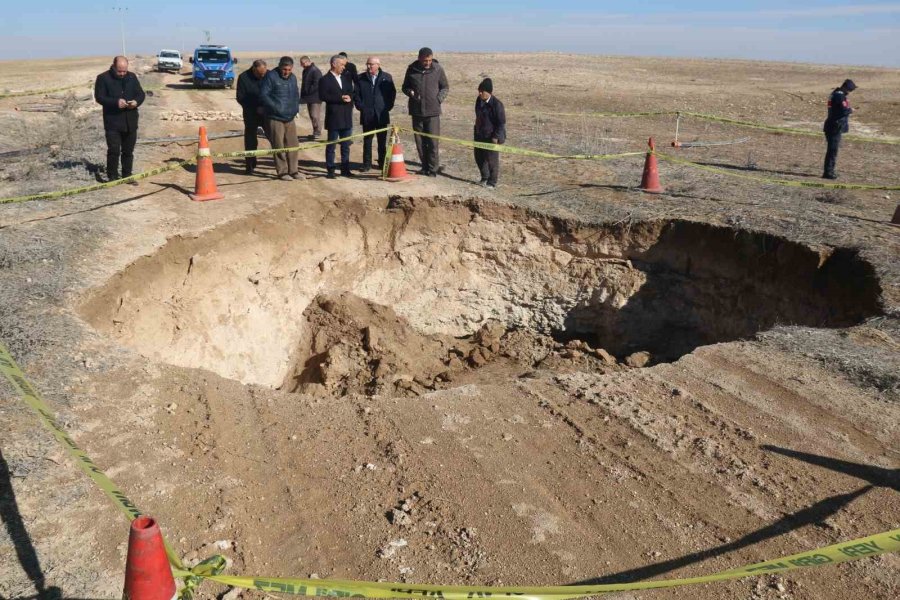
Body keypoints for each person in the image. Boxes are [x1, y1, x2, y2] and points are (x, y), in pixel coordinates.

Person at [94, 56, 145, 183]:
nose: (122, 74)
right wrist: (115, 102)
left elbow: (141, 94)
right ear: (113, 66)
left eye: (124, 71)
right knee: (114, 150)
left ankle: (127, 175)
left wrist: (136, 102)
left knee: (128, 151)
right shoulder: (103, 78)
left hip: (130, 121)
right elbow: (99, 97)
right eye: (119, 71)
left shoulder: (132, 77)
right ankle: (112, 176)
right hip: (113, 122)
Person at [402, 47, 449, 176]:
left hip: (433, 112)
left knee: (433, 143)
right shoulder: (411, 69)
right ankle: (424, 167)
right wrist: (410, 92)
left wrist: (438, 99)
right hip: (417, 112)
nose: (428, 63)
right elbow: (405, 87)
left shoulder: (438, 69)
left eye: (429, 60)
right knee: (420, 142)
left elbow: (445, 87)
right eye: (425, 61)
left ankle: (433, 169)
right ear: (419, 59)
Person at [260, 56, 303, 181]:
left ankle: (294, 170)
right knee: (278, 144)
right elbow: (264, 95)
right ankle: (282, 172)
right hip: (275, 117)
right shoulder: (271, 76)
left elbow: (296, 94)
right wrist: (276, 108)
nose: (287, 72)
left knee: (293, 144)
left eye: (289, 70)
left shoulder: (293, 78)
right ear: (279, 67)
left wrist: (295, 109)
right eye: (284, 69)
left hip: (290, 117)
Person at [354, 56, 396, 172]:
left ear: (378, 65)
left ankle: (382, 164)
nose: (369, 66)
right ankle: (366, 164)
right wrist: (361, 107)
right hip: (367, 114)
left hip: (381, 114)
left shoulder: (386, 77)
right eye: (367, 64)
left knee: (382, 141)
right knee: (367, 140)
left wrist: (387, 107)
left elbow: (392, 94)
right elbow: (356, 95)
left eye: (371, 64)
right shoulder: (360, 78)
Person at [319, 54, 356, 178]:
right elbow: (323, 96)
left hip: (346, 117)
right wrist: (340, 98)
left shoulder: (346, 78)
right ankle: (330, 170)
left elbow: (351, 91)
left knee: (346, 145)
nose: (343, 67)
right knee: (332, 146)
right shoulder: (325, 79)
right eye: (341, 65)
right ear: (334, 64)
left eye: (344, 65)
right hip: (334, 118)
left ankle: (345, 169)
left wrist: (350, 98)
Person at [236, 59, 269, 174]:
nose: (262, 76)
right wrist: (255, 107)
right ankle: (250, 164)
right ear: (254, 69)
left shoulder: (269, 75)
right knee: (250, 141)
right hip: (250, 114)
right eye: (260, 74)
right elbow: (240, 97)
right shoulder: (243, 77)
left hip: (267, 113)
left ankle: (281, 166)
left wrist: (266, 107)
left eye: (264, 73)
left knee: (274, 138)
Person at [473, 78, 506, 188]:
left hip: (492, 136)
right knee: (479, 157)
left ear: (489, 92)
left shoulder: (497, 105)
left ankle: (492, 182)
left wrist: (496, 137)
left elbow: (501, 123)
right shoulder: (479, 100)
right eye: (479, 91)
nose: (480, 93)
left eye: (482, 91)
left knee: (492, 160)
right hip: (480, 134)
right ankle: (484, 177)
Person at [823, 79, 857, 179]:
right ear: (846, 87)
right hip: (835, 126)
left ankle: (829, 171)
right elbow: (843, 111)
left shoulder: (835, 93)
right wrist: (851, 110)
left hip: (833, 125)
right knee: (833, 150)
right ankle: (828, 172)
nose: (850, 92)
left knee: (832, 150)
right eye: (850, 90)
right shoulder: (839, 95)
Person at [299, 56, 323, 140]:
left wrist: (308, 91)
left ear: (307, 62)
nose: (302, 65)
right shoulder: (306, 70)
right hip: (309, 97)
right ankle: (315, 131)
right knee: (312, 116)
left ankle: (318, 132)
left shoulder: (315, 71)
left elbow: (317, 84)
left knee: (315, 115)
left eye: (302, 63)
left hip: (315, 97)